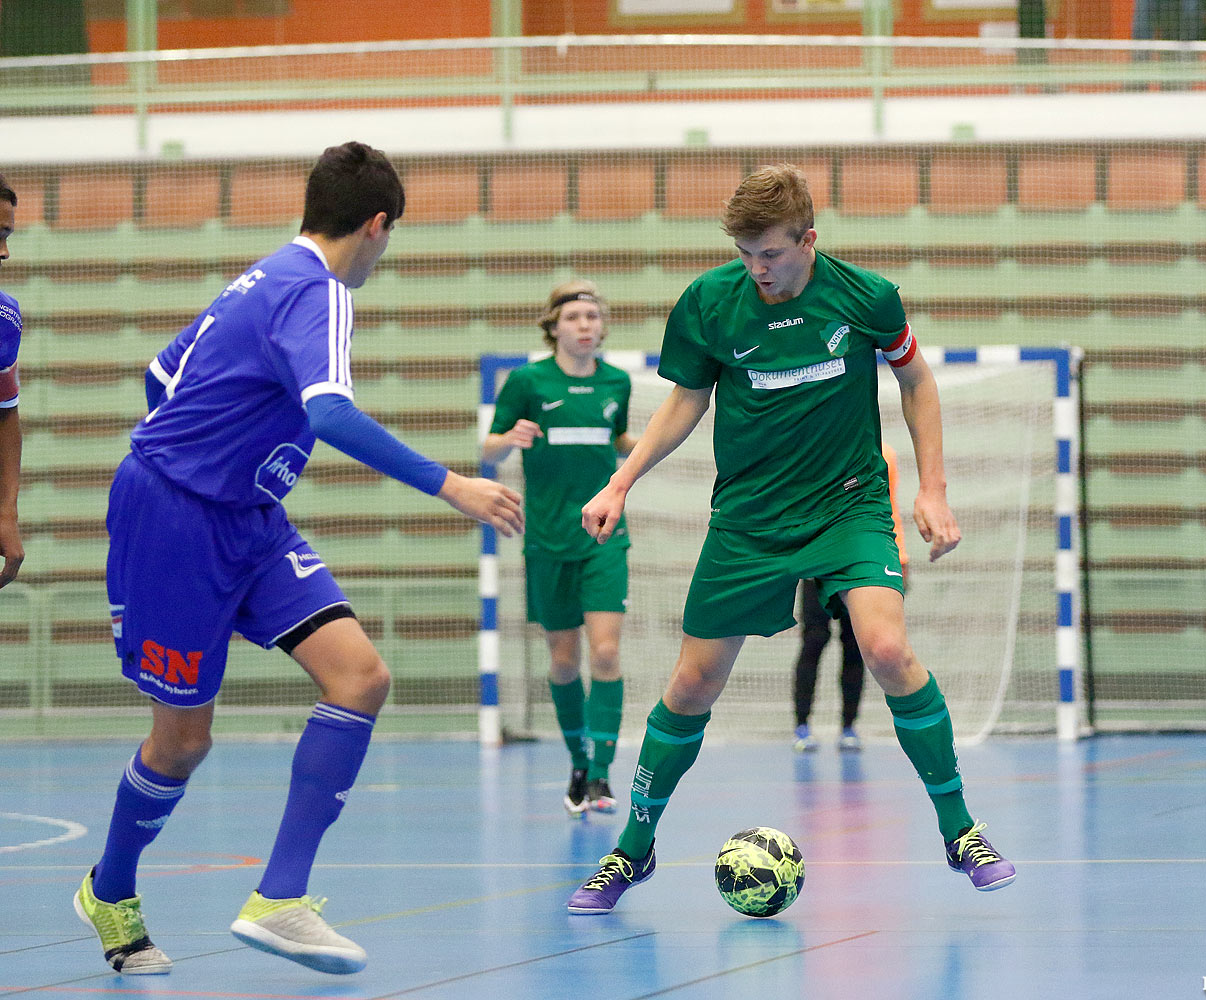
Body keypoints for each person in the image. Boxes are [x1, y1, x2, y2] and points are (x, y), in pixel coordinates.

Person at [73, 141, 523, 976]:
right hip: (175, 520)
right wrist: (453, 485)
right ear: (378, 224)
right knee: (182, 742)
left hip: (249, 517)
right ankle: (111, 891)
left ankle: (278, 899)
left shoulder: (261, 275)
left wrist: (231, 452)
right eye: (391, 238)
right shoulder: (318, 289)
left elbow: (158, 374)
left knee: (361, 677)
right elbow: (333, 414)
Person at [565, 163, 1016, 915]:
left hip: (848, 507)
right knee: (690, 685)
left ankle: (960, 830)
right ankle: (632, 850)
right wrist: (621, 481)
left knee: (887, 649)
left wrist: (932, 490)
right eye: (745, 254)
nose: (757, 269)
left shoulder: (866, 297)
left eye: (770, 253)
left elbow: (917, 382)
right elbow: (688, 400)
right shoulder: (712, 304)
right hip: (748, 520)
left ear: (809, 239)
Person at [482, 279, 636, 816]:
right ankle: (577, 762)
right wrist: (509, 439)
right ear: (554, 327)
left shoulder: (617, 383)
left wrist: (657, 444)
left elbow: (617, 441)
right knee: (565, 660)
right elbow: (489, 450)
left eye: (593, 317)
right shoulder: (527, 381)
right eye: (574, 318)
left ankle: (601, 775)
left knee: (607, 652)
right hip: (546, 542)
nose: (586, 326)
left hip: (603, 538)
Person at [792, 441, 908, 752]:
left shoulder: (884, 454)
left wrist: (900, 556)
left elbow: (889, 508)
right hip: (818, 561)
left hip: (861, 562)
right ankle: (801, 725)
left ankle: (848, 726)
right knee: (814, 640)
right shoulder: (818, 448)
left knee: (857, 644)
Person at [0, 171, 24, 589]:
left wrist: (7, 512)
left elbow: (6, 415)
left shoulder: (5, 319)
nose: (4, 252)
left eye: (7, 235)